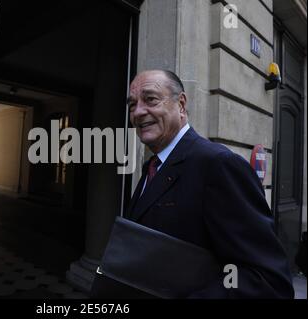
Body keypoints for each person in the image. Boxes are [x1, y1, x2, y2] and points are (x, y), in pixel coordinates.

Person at [125, 70, 294, 298]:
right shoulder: (152, 167)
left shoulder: (219, 165)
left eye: (150, 99)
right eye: (132, 104)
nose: (138, 112)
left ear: (181, 104)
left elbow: (266, 280)